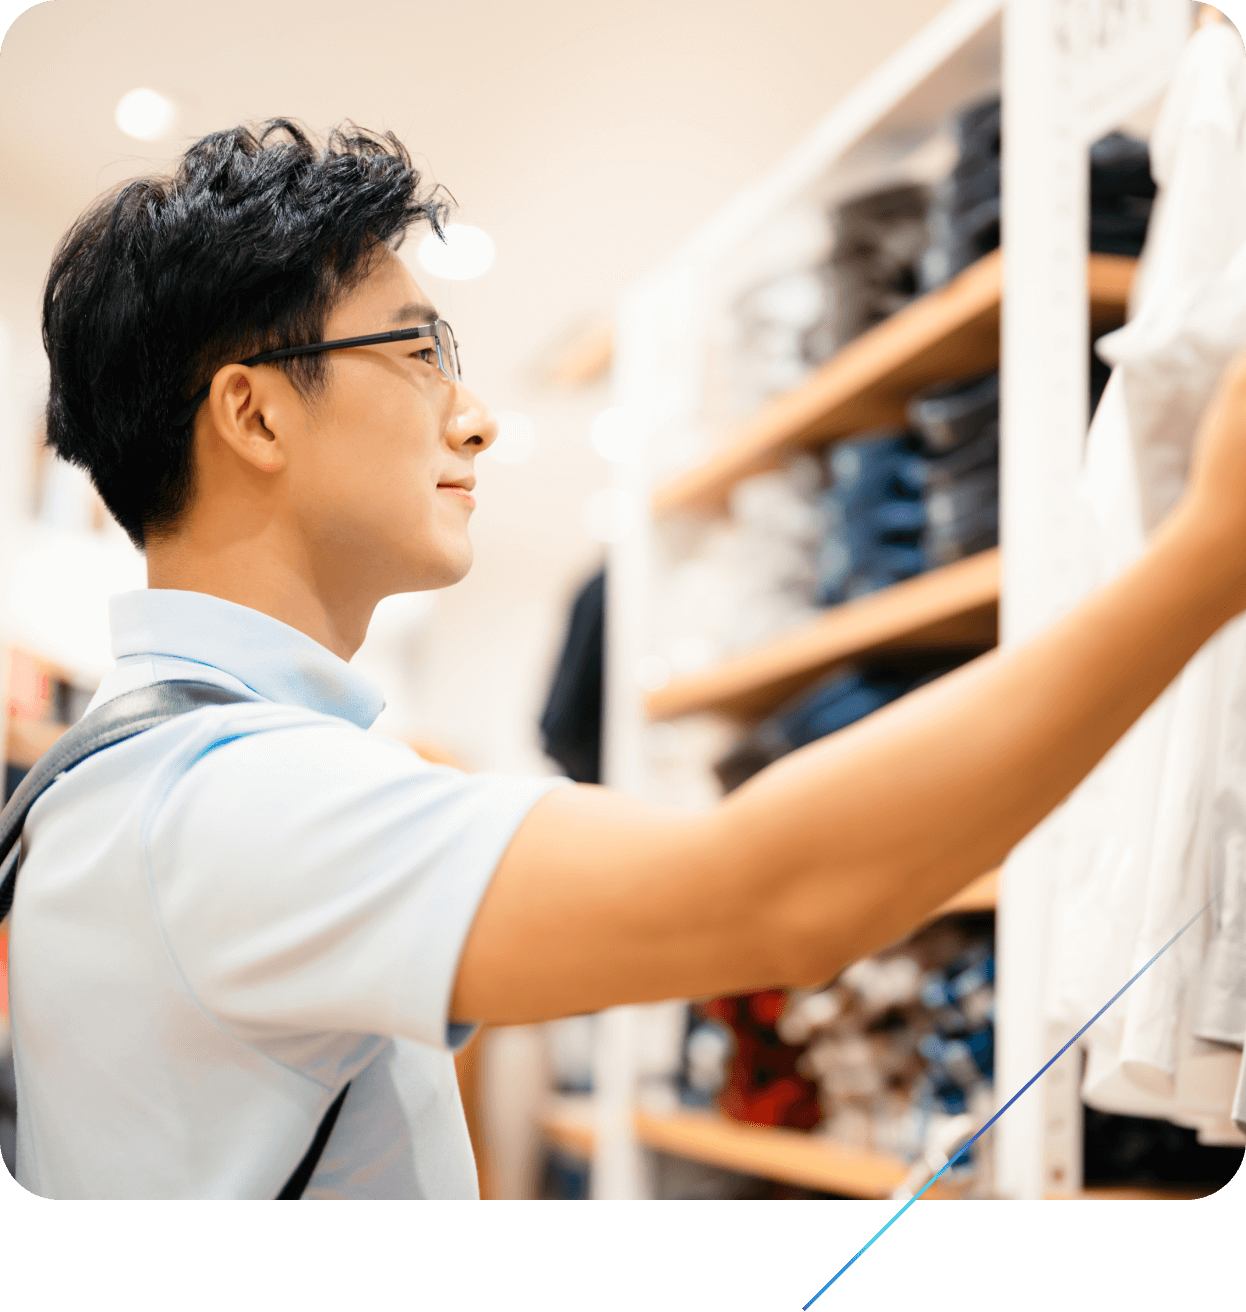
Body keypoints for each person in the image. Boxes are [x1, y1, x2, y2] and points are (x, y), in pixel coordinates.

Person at [10, 119, 1246, 1199]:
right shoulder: (237, 802)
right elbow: (777, 898)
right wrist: (1202, 559)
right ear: (256, 413)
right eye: (416, 349)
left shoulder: (97, 783)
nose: (474, 412)